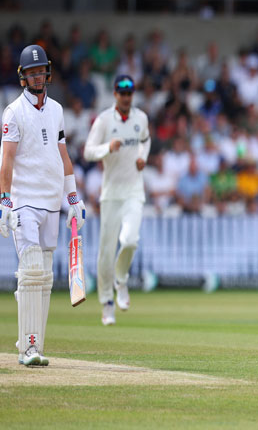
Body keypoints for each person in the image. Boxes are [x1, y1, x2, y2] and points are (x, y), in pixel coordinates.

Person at [0, 44, 86, 366]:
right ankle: (28, 348)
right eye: (31, 73)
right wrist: (5, 200)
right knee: (31, 269)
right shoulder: (13, 112)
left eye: (40, 71)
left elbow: (62, 154)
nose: (37, 77)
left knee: (43, 277)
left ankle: (35, 344)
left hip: (51, 202)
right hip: (24, 203)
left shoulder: (57, 109)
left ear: (47, 73)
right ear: (23, 77)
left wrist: (73, 198)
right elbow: (7, 158)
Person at [84, 75, 150, 326]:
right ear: (115, 94)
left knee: (130, 240)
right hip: (111, 194)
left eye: (129, 93)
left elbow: (145, 140)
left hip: (134, 191)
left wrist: (143, 157)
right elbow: (88, 151)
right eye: (122, 93)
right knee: (106, 251)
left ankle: (121, 280)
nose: (126, 97)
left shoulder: (141, 118)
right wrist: (107, 148)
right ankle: (106, 303)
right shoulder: (103, 120)